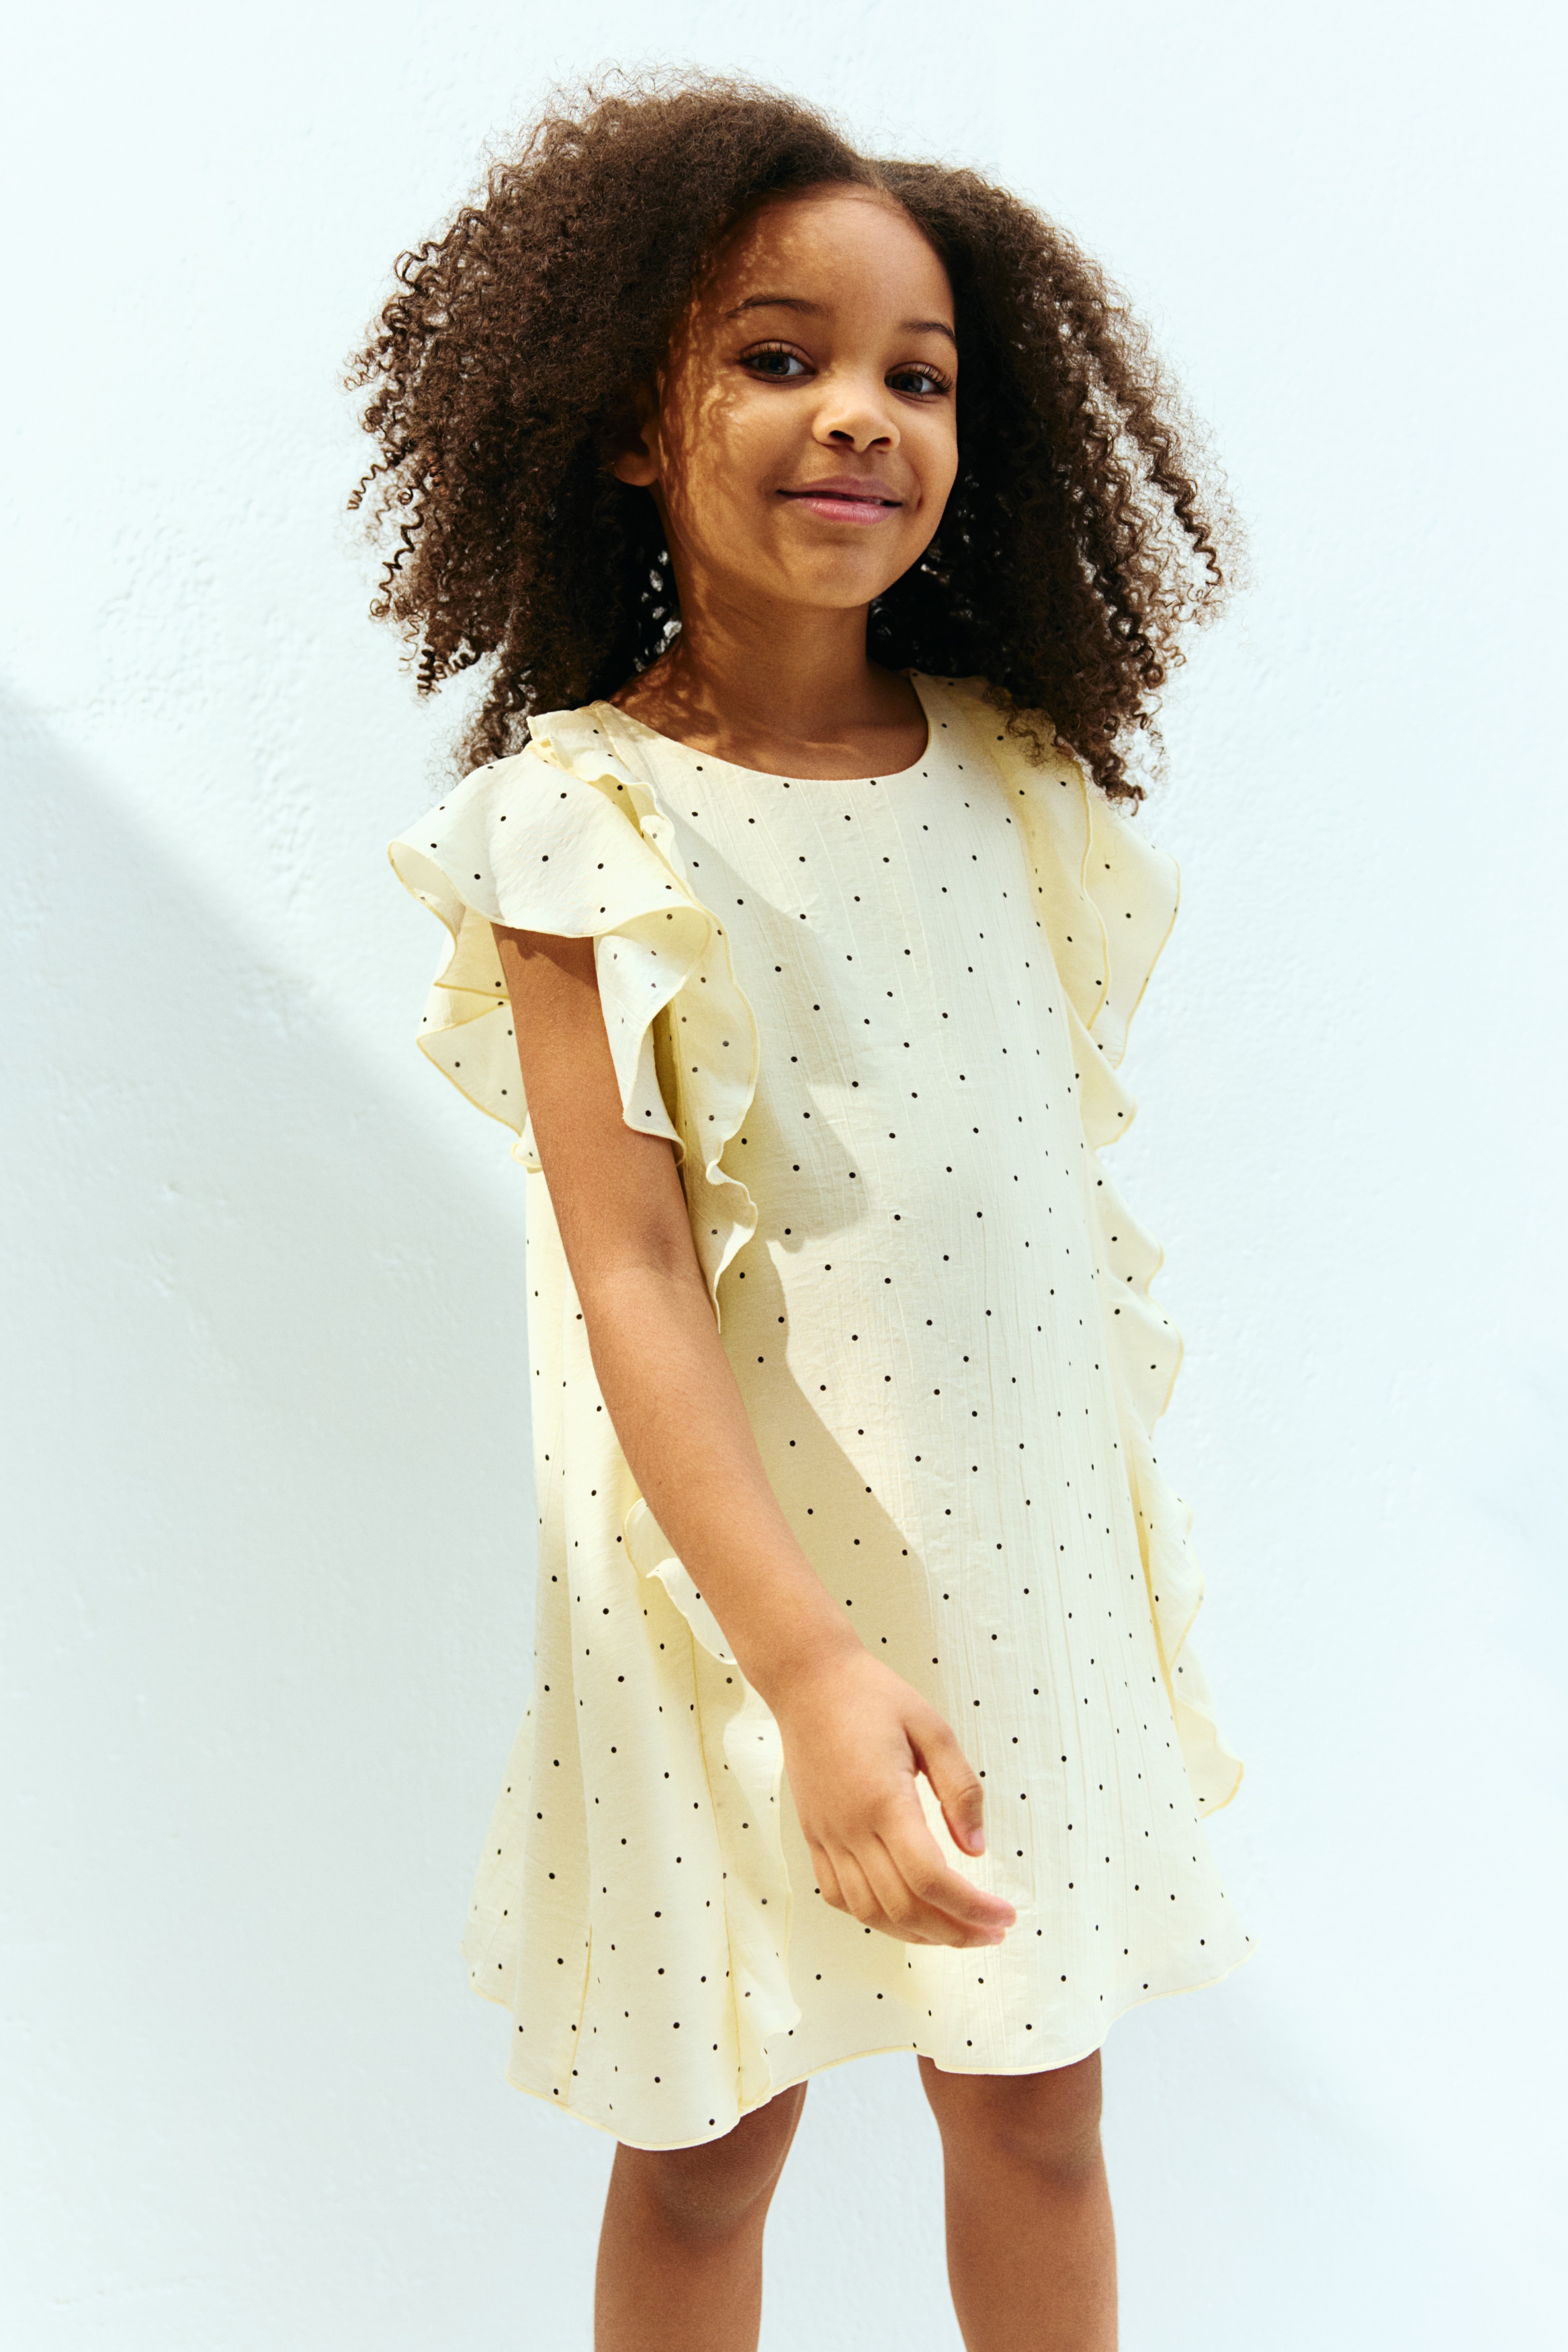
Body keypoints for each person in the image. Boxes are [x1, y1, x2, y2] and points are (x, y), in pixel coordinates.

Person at [353, 73, 1252, 2352]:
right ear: (625, 421)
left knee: (1039, 2111)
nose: (858, 411)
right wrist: (813, 1672)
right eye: (778, 355)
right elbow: (632, 1272)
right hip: (727, 1599)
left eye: (915, 376)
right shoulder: (578, 822)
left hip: (1011, 1566)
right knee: (706, 2144)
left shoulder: (1015, 782)